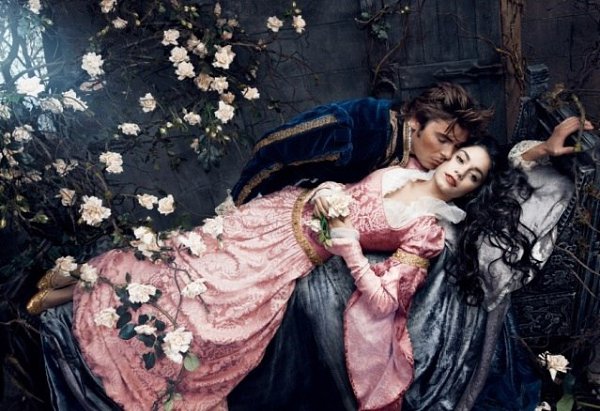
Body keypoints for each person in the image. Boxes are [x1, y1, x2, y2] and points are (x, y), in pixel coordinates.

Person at [29, 141, 535, 411]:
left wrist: (350, 248)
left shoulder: (430, 231)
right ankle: (74, 289)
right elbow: (345, 187)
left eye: (471, 175)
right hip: (274, 214)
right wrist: (328, 190)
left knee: (213, 317)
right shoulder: (405, 170)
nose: (457, 171)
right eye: (461, 158)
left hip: (291, 256)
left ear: (474, 190)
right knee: (178, 257)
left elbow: (384, 300)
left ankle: (87, 314)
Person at [231, 82, 494, 205]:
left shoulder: (413, 150)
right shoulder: (358, 128)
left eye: (456, 147)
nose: (447, 154)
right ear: (416, 120)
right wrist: (241, 204)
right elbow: (271, 148)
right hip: (272, 198)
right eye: (442, 139)